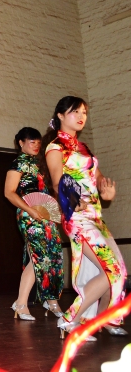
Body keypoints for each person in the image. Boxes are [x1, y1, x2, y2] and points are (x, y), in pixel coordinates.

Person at [43, 96, 127, 339]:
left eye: (84, 112)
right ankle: (70, 319)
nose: (81, 116)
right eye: (75, 111)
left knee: (118, 271)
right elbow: (58, 182)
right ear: (60, 115)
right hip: (77, 218)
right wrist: (73, 199)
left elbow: (98, 177)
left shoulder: (84, 148)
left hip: (95, 216)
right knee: (112, 269)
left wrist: (105, 189)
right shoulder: (55, 146)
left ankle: (105, 318)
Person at [4, 127, 64, 321]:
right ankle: (24, 304)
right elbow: (9, 192)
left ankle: (49, 300)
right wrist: (30, 210)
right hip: (28, 214)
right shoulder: (18, 163)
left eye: (38, 142)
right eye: (32, 142)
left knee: (52, 255)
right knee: (38, 255)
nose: (36, 145)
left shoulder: (43, 163)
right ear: (21, 143)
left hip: (46, 214)